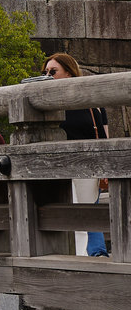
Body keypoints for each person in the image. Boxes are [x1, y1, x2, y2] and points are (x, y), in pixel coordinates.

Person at [45, 52, 108, 257]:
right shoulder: (45, 103)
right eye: (45, 72)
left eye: (53, 71)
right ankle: (81, 254)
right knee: (68, 213)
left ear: (69, 73)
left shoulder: (89, 103)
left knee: (86, 210)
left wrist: (104, 166)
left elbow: (102, 136)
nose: (48, 76)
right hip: (57, 166)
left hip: (86, 165)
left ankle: (94, 253)